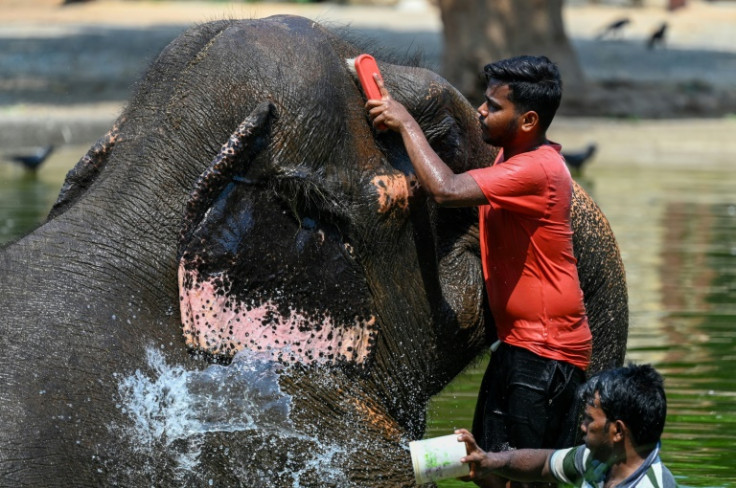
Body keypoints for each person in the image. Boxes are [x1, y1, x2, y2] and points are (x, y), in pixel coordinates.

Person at [366, 55, 592, 472]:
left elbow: (448, 189)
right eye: (483, 101)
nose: (480, 112)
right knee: (483, 465)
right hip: (516, 345)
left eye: (493, 106)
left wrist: (406, 123)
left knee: (528, 478)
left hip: (547, 351)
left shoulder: (536, 169)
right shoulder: (510, 154)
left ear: (527, 121)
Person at [455, 363, 677, 488]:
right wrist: (489, 462)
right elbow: (543, 464)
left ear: (617, 431)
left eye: (590, 420)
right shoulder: (598, 460)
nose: (582, 427)